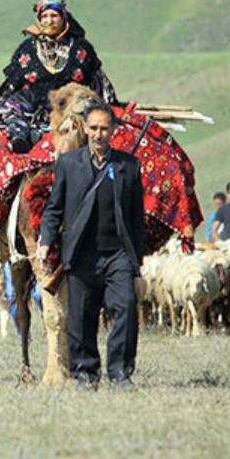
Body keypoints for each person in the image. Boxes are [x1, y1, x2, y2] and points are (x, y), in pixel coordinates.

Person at [35, 101, 145, 390]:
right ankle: (86, 374)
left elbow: (136, 219)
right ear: (85, 128)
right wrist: (46, 241)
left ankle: (121, 373)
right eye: (93, 128)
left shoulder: (129, 167)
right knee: (81, 317)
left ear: (113, 130)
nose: (98, 133)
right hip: (82, 254)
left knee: (126, 308)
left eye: (104, 128)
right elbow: (53, 209)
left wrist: (137, 264)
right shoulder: (69, 164)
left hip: (117, 254)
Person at [0, 0, 119, 153]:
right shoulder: (27, 49)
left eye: (54, 16)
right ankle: (21, 139)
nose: (49, 21)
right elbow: (12, 83)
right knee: (12, 108)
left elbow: (98, 80)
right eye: (44, 16)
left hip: (70, 105)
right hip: (34, 106)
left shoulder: (81, 48)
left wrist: (110, 106)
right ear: (39, 19)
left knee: (84, 111)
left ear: (64, 18)